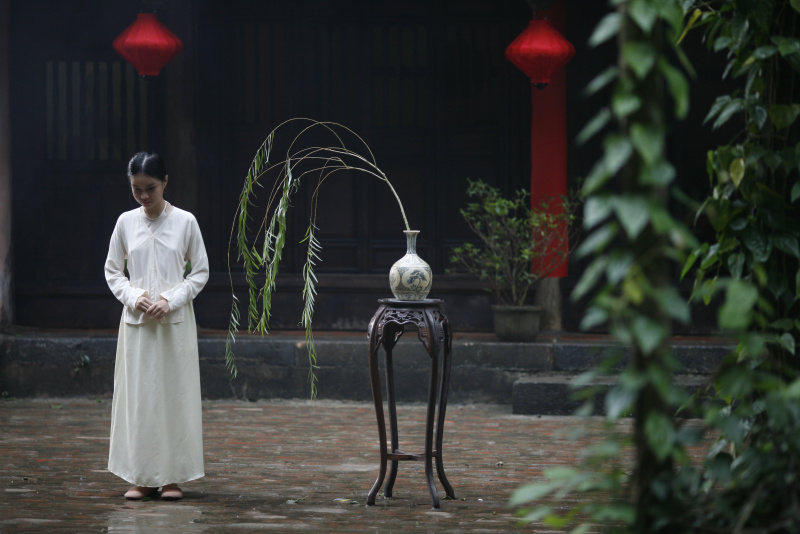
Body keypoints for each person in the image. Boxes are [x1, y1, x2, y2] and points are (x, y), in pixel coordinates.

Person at [104, 152, 209, 501]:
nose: (144, 196)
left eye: (150, 188)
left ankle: (172, 479)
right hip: (137, 325)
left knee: (174, 395)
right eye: (136, 189)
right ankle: (141, 477)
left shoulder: (185, 222)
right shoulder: (125, 223)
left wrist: (170, 299)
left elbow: (200, 272)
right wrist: (134, 297)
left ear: (165, 181)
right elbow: (113, 271)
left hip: (174, 325)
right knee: (140, 398)